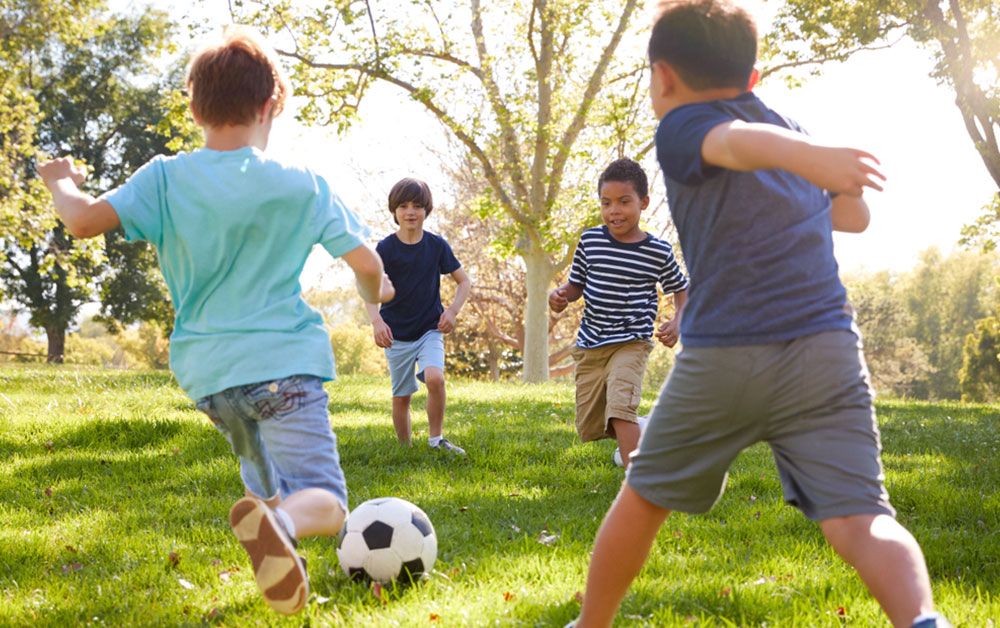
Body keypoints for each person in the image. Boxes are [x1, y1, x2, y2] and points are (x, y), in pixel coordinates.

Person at [565, 2, 951, 628]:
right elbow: (852, 215)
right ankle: (922, 620)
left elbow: (732, 141)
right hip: (825, 351)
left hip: (726, 353)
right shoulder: (788, 129)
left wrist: (811, 159)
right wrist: (816, 164)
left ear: (663, 78)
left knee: (642, 499)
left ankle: (591, 624)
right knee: (862, 518)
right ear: (753, 75)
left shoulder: (682, 125)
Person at [35, 26, 394, 616]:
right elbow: (367, 262)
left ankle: (280, 553)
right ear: (270, 103)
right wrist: (372, 291)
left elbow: (80, 220)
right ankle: (279, 525)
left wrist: (59, 179)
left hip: (211, 379)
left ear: (196, 107)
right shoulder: (301, 183)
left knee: (266, 488)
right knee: (324, 501)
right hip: (284, 370)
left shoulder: (165, 179)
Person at [549, 158, 688, 470]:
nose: (614, 211)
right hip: (590, 345)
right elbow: (576, 286)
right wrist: (559, 296)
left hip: (631, 342)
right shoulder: (590, 241)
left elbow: (682, 288)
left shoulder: (658, 251)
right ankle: (646, 430)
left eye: (624, 202)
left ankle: (637, 480)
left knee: (620, 412)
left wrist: (679, 321)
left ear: (644, 203)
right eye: (607, 203)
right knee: (591, 425)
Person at [365, 177, 472, 454]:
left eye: (417, 205)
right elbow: (369, 289)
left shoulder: (436, 246)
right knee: (402, 397)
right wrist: (377, 321)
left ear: (427, 210)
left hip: (429, 329)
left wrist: (452, 311)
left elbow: (464, 282)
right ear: (394, 211)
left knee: (435, 378)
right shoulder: (385, 249)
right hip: (396, 334)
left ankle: (436, 441)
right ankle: (406, 450)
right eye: (403, 205)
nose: (410, 211)